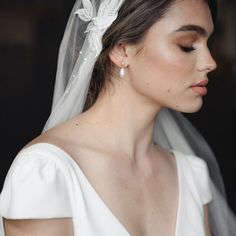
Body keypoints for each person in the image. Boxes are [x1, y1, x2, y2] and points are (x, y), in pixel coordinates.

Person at [0, 0, 235, 235]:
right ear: (121, 50)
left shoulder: (192, 176)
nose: (210, 62)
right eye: (187, 45)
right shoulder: (47, 174)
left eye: (208, 44)